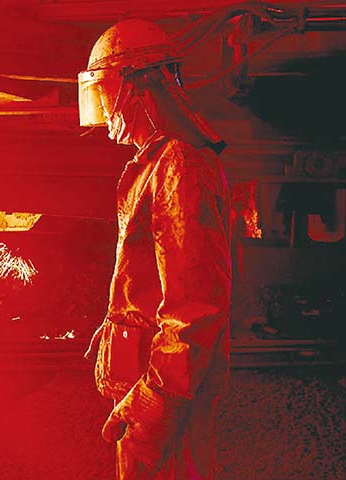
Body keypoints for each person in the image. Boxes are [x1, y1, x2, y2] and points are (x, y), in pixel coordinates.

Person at [79, 18, 232, 480]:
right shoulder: (159, 161)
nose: (103, 109)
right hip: (152, 376)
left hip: (165, 389)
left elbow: (195, 307)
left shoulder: (178, 164)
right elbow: (152, 278)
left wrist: (155, 403)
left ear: (137, 85)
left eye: (104, 90)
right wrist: (118, 322)